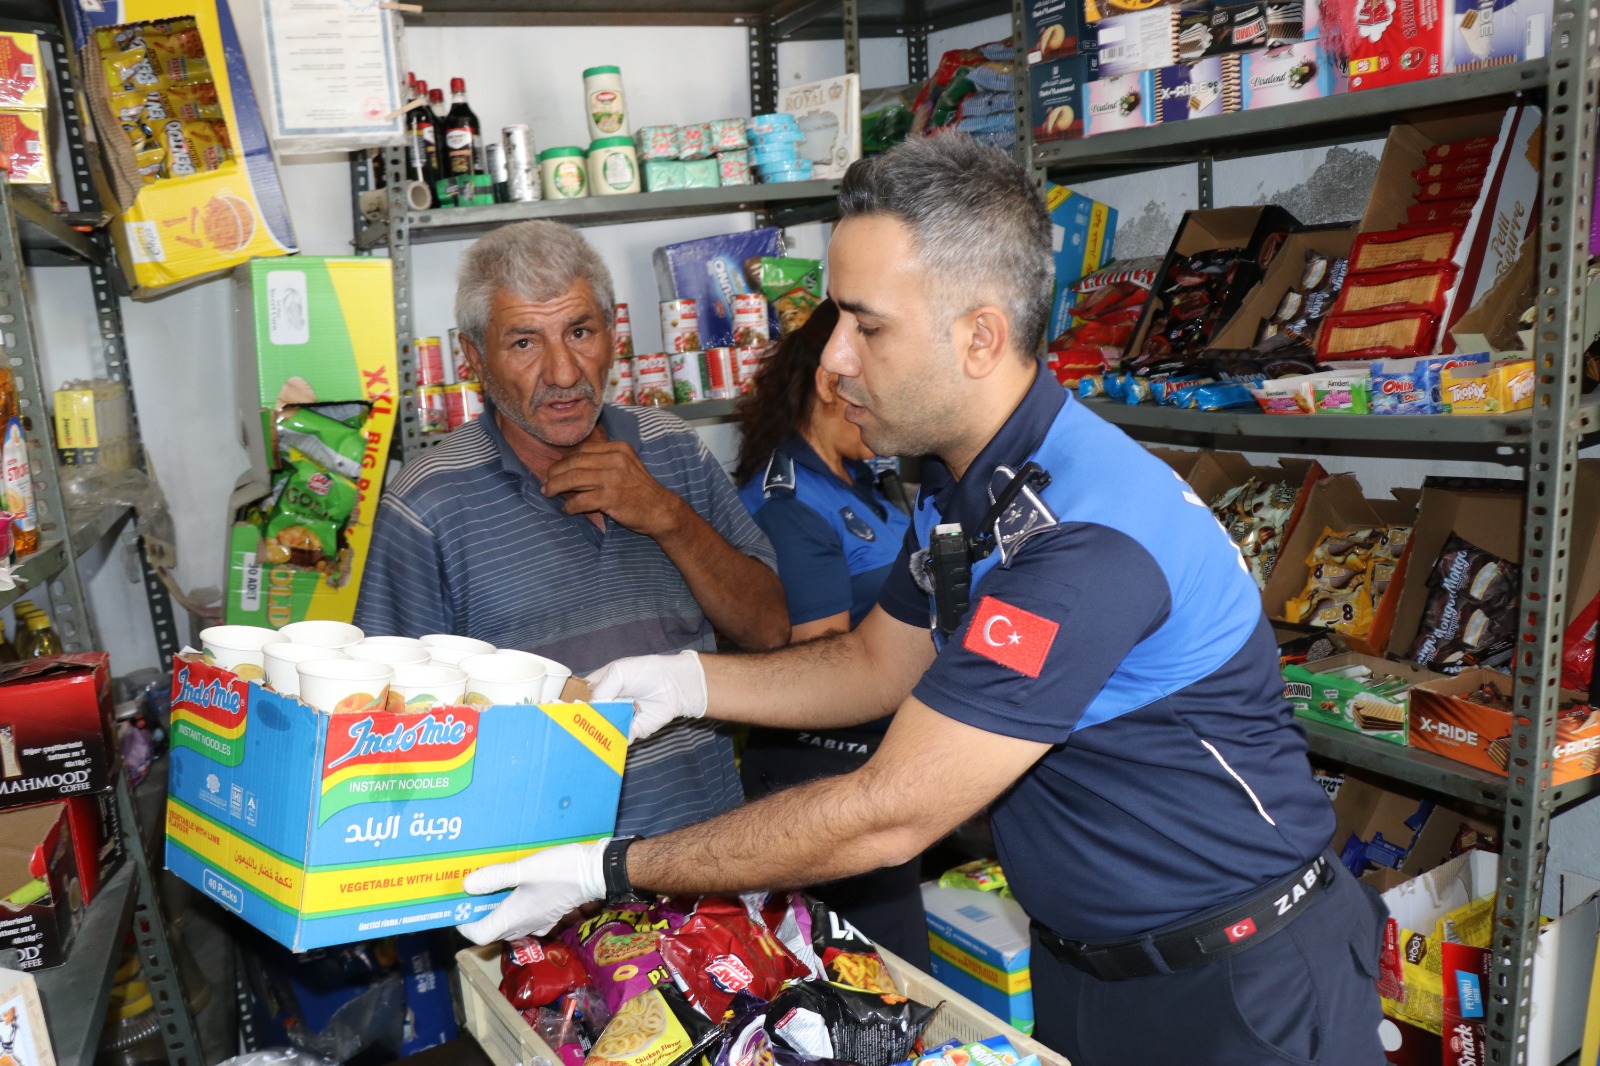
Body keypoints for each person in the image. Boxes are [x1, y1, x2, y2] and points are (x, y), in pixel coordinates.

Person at [457, 135, 1386, 1065]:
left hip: (1240, 992)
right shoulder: (968, 488)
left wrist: (607, 869)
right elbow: (872, 663)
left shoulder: (1080, 544)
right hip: (1091, 974)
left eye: (868, 325)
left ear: (979, 336)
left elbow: (889, 809)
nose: (833, 360)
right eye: (835, 320)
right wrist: (691, 682)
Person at [353, 220, 790, 836]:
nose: (563, 373)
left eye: (580, 332)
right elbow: (388, 733)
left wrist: (667, 516)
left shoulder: (673, 450)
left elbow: (768, 630)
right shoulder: (427, 504)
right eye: (525, 343)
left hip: (705, 857)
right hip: (537, 889)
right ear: (473, 357)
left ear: (612, 333)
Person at [731, 299, 926, 967]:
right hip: (827, 776)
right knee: (882, 984)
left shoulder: (870, 476)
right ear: (828, 382)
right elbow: (825, 674)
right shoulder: (789, 505)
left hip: (891, 763)